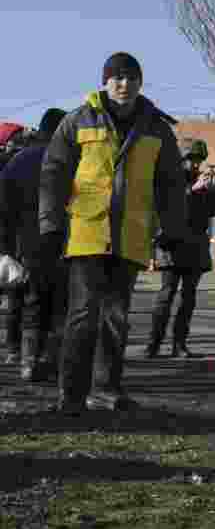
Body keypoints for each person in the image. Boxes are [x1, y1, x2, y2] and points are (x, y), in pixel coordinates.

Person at [38, 52, 187, 414]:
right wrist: (51, 224)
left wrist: (172, 227)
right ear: (105, 81)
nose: (124, 84)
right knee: (82, 316)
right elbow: (54, 173)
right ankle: (71, 396)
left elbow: (170, 182)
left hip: (130, 235)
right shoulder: (78, 120)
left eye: (131, 78)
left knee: (116, 318)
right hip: (87, 233)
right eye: (117, 77)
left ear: (140, 82)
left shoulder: (156, 128)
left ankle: (105, 391)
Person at [0, 108, 68, 381]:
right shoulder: (68, 160)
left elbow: (4, 209)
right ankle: (49, 360)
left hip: (27, 245)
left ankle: (27, 362)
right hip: (64, 242)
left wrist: (5, 248)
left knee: (32, 302)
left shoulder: (18, 161)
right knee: (60, 306)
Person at [146, 138, 215, 359]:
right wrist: (191, 190)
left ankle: (180, 343)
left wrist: (210, 189)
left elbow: (212, 211)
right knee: (166, 295)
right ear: (182, 159)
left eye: (199, 160)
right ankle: (153, 344)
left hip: (195, 245)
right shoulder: (170, 178)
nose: (196, 165)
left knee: (189, 297)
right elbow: (164, 206)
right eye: (192, 160)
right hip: (173, 243)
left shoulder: (202, 180)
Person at [0, 121, 29, 365]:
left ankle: (13, 348)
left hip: (16, 239)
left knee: (15, 296)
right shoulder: (10, 166)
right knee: (14, 296)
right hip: (8, 241)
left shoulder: (18, 163)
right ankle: (12, 347)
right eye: (15, 138)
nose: (19, 143)